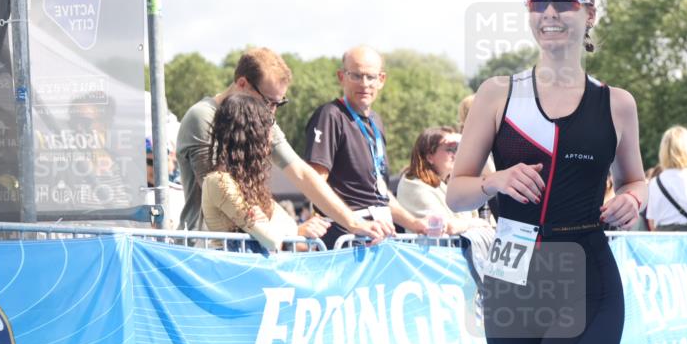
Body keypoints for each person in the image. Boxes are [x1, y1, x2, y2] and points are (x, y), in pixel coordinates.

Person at [446, 0, 647, 344]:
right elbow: (455, 193)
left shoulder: (617, 104)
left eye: (564, 1)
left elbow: (635, 179)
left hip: (587, 281)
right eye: (539, 3)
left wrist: (635, 198)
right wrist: (494, 181)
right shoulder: (497, 94)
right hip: (513, 285)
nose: (551, 12)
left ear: (589, 13)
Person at [176, 47, 391, 244]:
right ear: (242, 84)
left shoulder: (262, 118)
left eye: (279, 104)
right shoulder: (202, 116)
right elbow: (226, 196)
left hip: (246, 248)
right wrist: (292, 233)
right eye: (268, 102)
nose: (272, 113)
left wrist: (353, 222)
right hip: (203, 250)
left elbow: (301, 172)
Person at [303, 46, 429, 248]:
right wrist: (355, 223)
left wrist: (414, 223)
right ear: (341, 77)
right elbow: (315, 183)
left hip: (378, 234)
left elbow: (379, 193)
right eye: (356, 76)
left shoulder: (376, 121)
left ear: (381, 80)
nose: (364, 84)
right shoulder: (330, 115)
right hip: (346, 239)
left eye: (370, 77)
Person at [201, 95, 331, 252]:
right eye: (266, 128)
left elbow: (287, 224)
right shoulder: (219, 181)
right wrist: (291, 231)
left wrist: (272, 226)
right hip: (233, 273)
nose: (270, 137)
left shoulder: (247, 183)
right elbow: (272, 240)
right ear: (250, 135)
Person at [396, 127, 490, 235]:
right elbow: (446, 226)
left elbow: (491, 176)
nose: (456, 154)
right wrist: (474, 223)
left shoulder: (451, 184)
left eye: (458, 149)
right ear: (430, 157)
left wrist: (464, 140)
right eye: (450, 149)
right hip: (431, 251)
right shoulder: (413, 184)